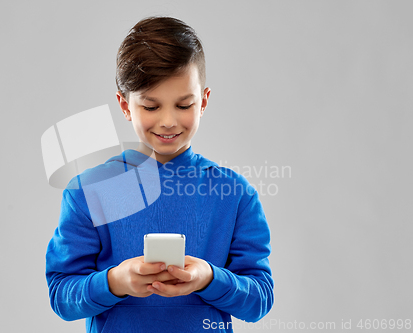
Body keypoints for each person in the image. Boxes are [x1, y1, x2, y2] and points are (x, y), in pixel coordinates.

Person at [45, 16, 274, 332]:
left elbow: (260, 299)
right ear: (125, 106)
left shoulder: (234, 193)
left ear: (204, 101)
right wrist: (115, 281)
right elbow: (61, 295)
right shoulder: (88, 191)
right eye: (151, 107)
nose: (168, 121)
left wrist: (209, 278)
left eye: (184, 105)